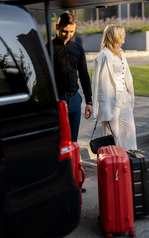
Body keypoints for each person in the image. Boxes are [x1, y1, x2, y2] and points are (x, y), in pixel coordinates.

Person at [92, 24, 137, 151]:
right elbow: (96, 83)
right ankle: (115, 162)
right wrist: (95, 107)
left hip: (125, 97)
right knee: (113, 134)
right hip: (110, 100)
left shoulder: (122, 53)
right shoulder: (102, 57)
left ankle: (130, 160)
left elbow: (126, 74)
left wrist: (127, 90)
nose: (124, 37)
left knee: (129, 131)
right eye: (122, 34)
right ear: (115, 37)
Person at [51, 12, 93, 142]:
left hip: (75, 99)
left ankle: (73, 162)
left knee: (73, 140)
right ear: (57, 27)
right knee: (59, 140)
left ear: (75, 28)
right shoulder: (48, 48)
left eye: (71, 32)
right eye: (65, 31)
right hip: (58, 100)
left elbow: (84, 75)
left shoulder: (78, 48)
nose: (68, 35)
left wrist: (89, 101)